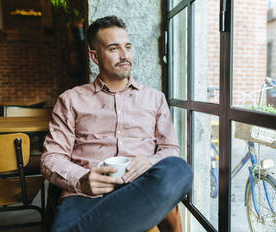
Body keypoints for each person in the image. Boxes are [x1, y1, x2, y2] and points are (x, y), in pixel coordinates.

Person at [40, 15, 193, 232]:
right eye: (113, 49)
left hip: (139, 190)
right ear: (95, 56)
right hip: (86, 196)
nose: (124, 56)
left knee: (179, 169)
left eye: (127, 47)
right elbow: (51, 158)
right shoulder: (70, 100)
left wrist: (149, 162)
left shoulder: (155, 98)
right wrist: (83, 180)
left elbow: (170, 149)